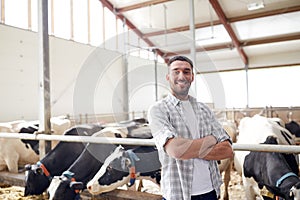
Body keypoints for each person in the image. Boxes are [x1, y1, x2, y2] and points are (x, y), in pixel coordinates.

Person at [147, 55, 233, 200]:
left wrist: (188, 149)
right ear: (168, 77)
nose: (182, 76)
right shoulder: (158, 110)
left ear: (192, 77)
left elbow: (227, 149)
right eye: (176, 71)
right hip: (177, 193)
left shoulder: (204, 109)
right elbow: (175, 150)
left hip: (211, 191)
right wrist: (211, 140)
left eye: (186, 72)